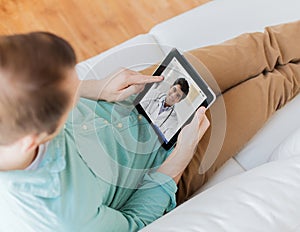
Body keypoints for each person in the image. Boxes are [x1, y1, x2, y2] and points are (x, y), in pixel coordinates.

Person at [0, 20, 299, 231]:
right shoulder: (66, 216)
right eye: (70, 97)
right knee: (276, 85)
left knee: (260, 46)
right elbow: (134, 222)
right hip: (164, 165)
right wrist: (181, 157)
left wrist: (98, 87)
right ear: (35, 139)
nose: (76, 90)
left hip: (132, 98)